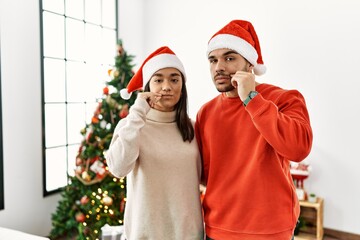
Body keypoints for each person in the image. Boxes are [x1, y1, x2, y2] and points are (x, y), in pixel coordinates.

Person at [195, 20, 313, 240]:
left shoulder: (285, 98)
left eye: (229, 58)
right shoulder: (206, 112)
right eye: (213, 60)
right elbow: (204, 175)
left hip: (270, 232)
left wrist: (252, 99)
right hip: (217, 229)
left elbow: (299, 149)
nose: (219, 66)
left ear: (250, 64)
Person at [105, 46, 204, 240]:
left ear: (182, 87)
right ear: (148, 87)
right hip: (144, 235)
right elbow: (118, 168)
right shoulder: (130, 126)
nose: (166, 86)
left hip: (189, 234)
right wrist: (137, 112)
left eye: (174, 79)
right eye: (158, 79)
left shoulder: (194, 128)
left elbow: (206, 178)